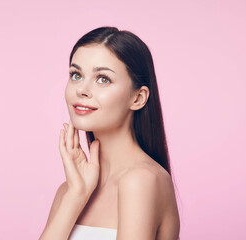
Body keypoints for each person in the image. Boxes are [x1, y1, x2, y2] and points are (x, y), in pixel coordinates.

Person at [39, 26, 180, 240]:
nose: (81, 89)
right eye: (76, 75)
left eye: (103, 79)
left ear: (138, 98)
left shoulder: (140, 180)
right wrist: (76, 194)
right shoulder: (69, 191)